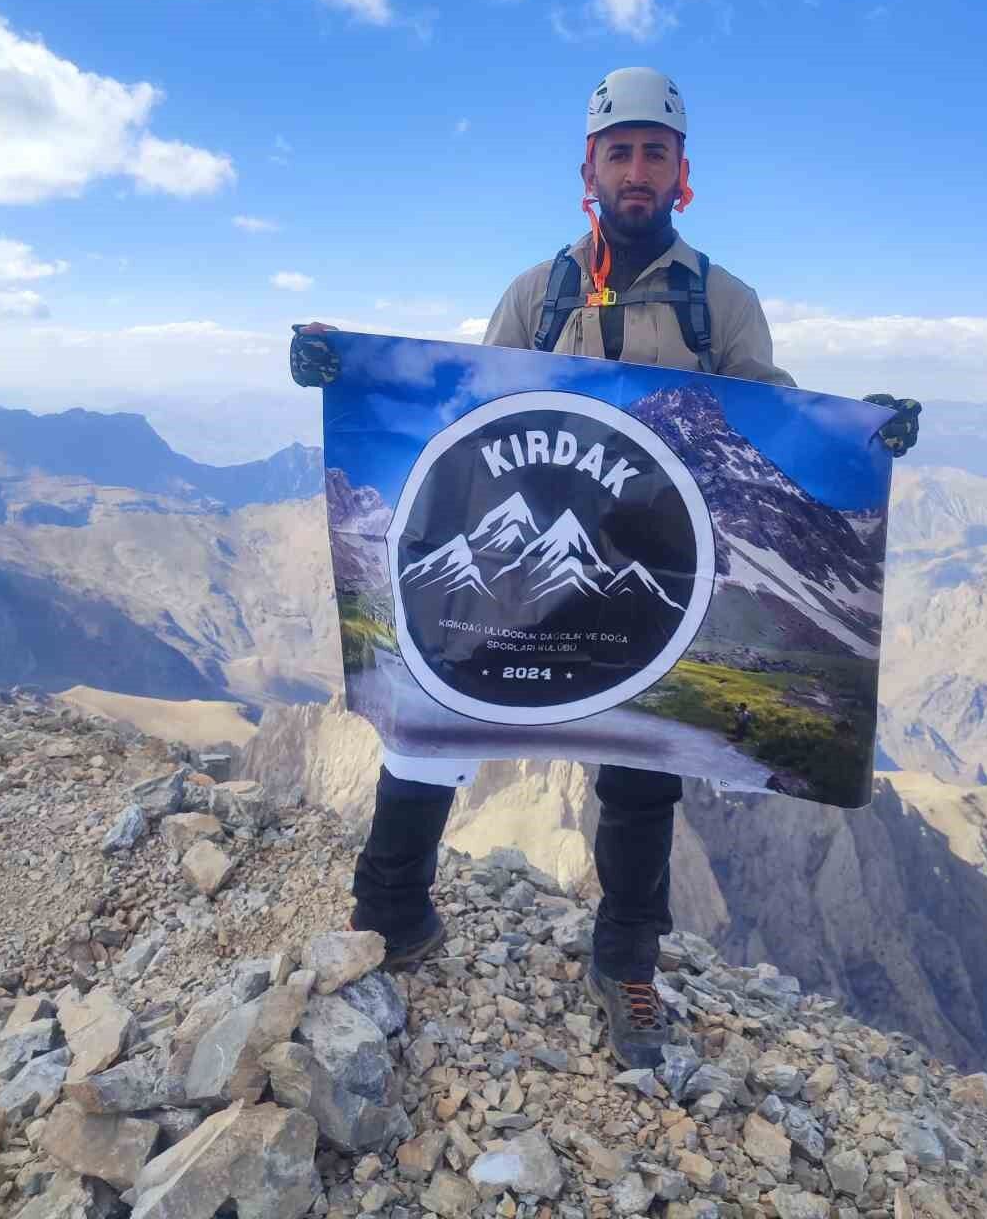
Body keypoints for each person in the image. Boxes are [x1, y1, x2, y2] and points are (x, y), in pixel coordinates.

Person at [291, 65, 921, 1068]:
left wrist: (864, 437)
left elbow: (771, 428)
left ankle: (626, 959)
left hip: (654, 584)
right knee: (432, 720)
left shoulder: (724, 305)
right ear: (589, 168)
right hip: (516, 569)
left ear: (683, 174)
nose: (638, 170)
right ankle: (390, 917)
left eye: (655, 153)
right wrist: (342, 370)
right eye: (619, 152)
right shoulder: (533, 297)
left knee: (642, 769)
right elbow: (466, 416)